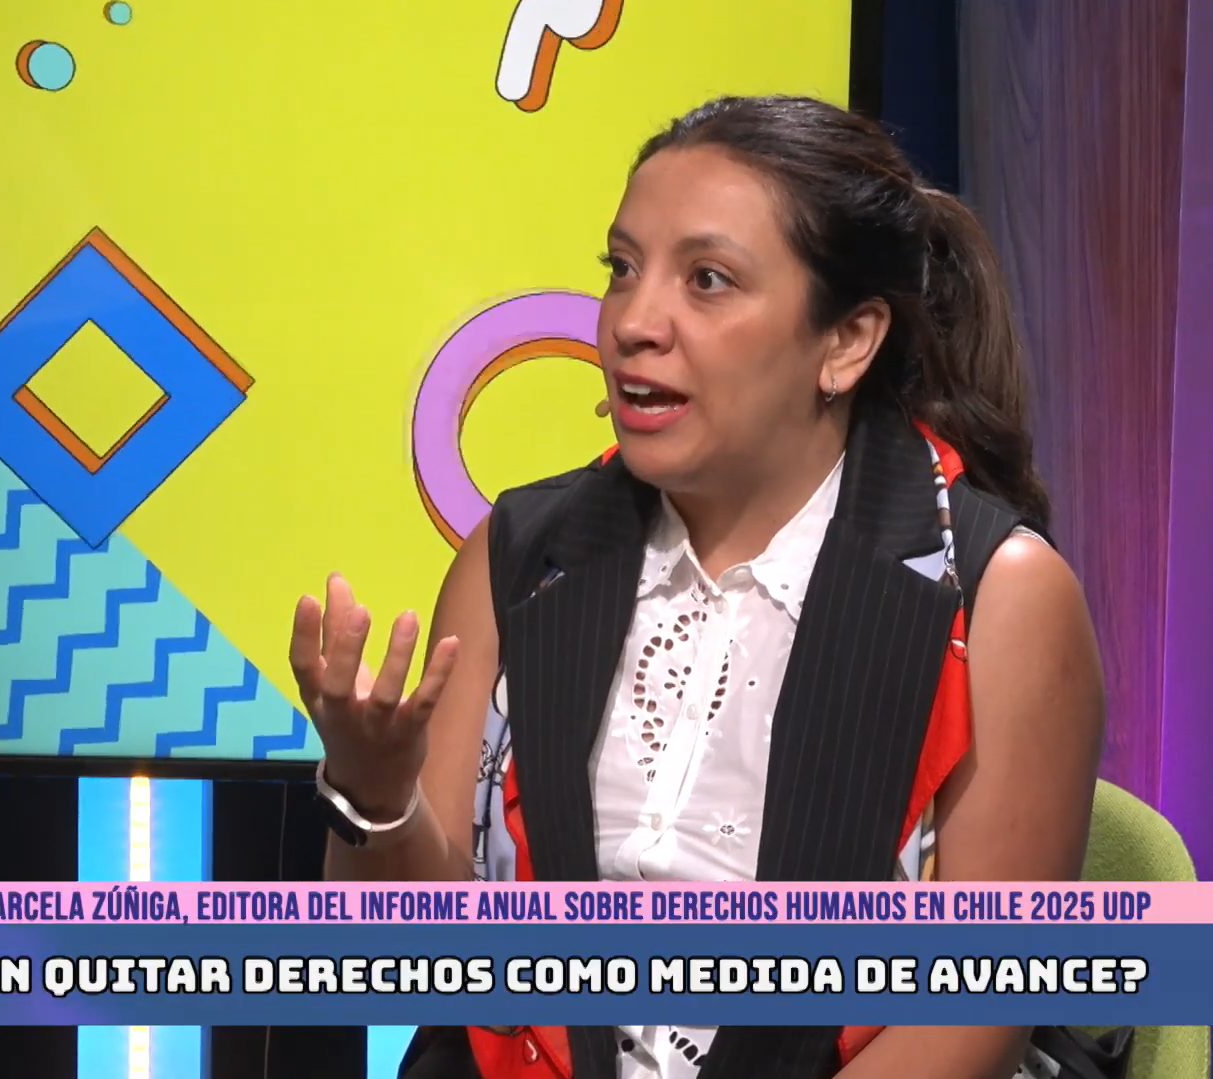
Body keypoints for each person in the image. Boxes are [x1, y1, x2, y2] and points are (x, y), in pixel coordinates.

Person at [289, 95, 1106, 1079]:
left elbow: (972, 1015)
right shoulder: (521, 553)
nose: (634, 322)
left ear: (846, 341)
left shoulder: (996, 594)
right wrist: (372, 789)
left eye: (707, 280)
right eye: (621, 268)